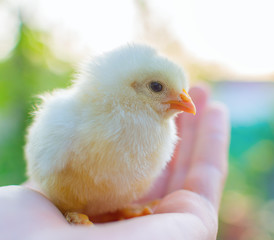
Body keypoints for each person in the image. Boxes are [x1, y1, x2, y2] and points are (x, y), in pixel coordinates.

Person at [0, 86, 229, 240]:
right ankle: (73, 211)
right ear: (130, 86)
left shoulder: (159, 134)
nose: (184, 99)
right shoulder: (73, 118)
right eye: (157, 87)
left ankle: (113, 209)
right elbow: (45, 164)